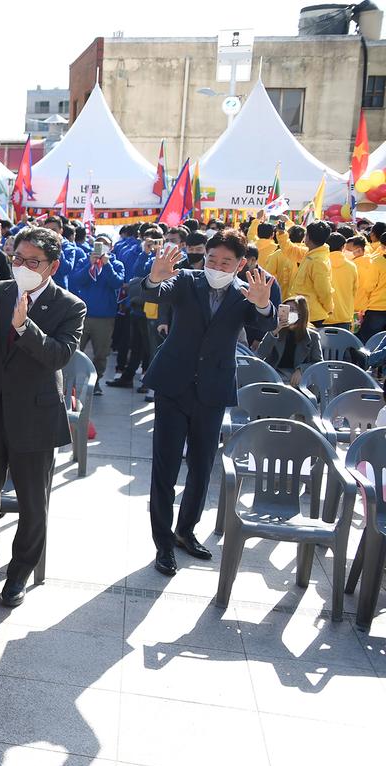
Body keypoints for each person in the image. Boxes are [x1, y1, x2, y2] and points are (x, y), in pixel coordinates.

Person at [0, 226, 86, 606]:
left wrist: (24, 327)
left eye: (33, 262)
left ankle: (19, 573)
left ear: (52, 266)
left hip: (34, 415)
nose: (22, 266)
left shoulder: (70, 305)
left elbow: (58, 356)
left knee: (31, 502)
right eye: (18, 259)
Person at [126, 231, 276, 577]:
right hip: (173, 385)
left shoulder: (246, 291)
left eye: (226, 262)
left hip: (213, 389)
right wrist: (153, 278)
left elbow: (265, 323)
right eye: (212, 259)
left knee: (202, 465)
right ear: (203, 257)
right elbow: (147, 293)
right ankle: (163, 541)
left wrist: (264, 305)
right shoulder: (185, 281)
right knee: (165, 467)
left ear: (240, 263)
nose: (217, 267)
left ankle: (185, 530)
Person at [69, 233, 125, 395]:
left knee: (101, 353)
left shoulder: (116, 264)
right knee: (74, 351)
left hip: (104, 318)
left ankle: (96, 381)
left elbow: (117, 283)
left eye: (105, 244)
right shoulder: (84, 261)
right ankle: (70, 382)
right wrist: (90, 264)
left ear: (111, 247)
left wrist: (106, 266)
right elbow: (77, 280)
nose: (101, 246)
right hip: (83, 315)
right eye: (98, 243)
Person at [107, 226, 162, 389]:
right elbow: (137, 271)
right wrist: (145, 252)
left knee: (151, 346)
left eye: (155, 240)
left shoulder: (164, 257)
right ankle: (128, 377)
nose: (151, 243)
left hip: (155, 309)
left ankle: (148, 380)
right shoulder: (141, 254)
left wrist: (157, 254)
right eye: (147, 239)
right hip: (138, 307)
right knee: (136, 344)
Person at [256, 296, 322, 379]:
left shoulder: (312, 336)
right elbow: (261, 354)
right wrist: (274, 332)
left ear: (301, 314)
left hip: (298, 379)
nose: (288, 313)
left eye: (292, 310)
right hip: (274, 376)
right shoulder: (276, 331)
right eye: (285, 310)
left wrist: (301, 370)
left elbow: (318, 363)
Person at [286, 222, 334, 326]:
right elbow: (290, 250)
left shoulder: (317, 260)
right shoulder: (312, 254)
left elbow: (324, 290)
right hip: (303, 311)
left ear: (308, 237)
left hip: (311, 315)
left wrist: (329, 308)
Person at [325, 232, 358, 331]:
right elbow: (354, 291)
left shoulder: (321, 263)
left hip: (323, 316)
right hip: (344, 315)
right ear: (343, 247)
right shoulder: (351, 266)